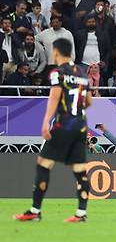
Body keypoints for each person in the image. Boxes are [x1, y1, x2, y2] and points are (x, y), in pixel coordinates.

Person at [14, 39, 92, 223]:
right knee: (80, 170)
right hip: (80, 126)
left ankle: (35, 210)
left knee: (43, 163)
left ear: (56, 52)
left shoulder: (58, 72)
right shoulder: (82, 73)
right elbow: (89, 102)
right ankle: (81, 213)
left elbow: (54, 97)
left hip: (63, 125)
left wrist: (45, 122)